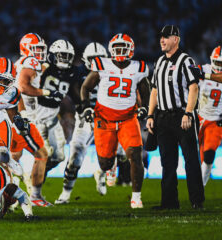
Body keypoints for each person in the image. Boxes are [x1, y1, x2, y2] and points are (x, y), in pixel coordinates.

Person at [81, 33, 150, 208]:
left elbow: (145, 90)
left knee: (135, 155)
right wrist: (86, 106)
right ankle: (109, 168)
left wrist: (145, 107)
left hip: (128, 118)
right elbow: (86, 87)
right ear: (111, 50)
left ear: (131, 50)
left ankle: (136, 197)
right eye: (117, 48)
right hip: (104, 118)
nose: (120, 51)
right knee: (105, 162)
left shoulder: (138, 68)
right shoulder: (102, 65)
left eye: (123, 48)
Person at [146, 25, 205, 210]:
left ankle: (197, 201)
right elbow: (154, 90)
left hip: (181, 115)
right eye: (161, 37)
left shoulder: (186, 60)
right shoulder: (159, 62)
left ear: (176, 39)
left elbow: (193, 87)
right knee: (167, 162)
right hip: (163, 117)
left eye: (166, 37)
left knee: (191, 159)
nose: (162, 40)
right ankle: (169, 202)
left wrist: (188, 112)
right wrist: (150, 115)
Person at [55, 42, 108, 204]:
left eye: (99, 59)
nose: (96, 62)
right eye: (93, 59)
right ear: (85, 59)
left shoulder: (112, 70)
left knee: (118, 154)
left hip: (107, 118)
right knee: (76, 154)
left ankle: (101, 172)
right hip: (84, 117)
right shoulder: (77, 72)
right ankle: (66, 192)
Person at [12, 33, 59, 207]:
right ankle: (34, 196)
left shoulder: (22, 63)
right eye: (36, 49)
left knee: (12, 157)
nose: (39, 53)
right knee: (40, 154)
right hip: (24, 118)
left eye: (41, 49)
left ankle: (2, 194)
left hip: (15, 116)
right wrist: (45, 92)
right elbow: (23, 87)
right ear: (26, 49)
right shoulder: (28, 62)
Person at [34, 39, 79, 175]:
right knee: (43, 153)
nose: (65, 59)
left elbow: (74, 94)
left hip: (53, 116)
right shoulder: (42, 68)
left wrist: (83, 106)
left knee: (59, 156)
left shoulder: (70, 74)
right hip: (36, 115)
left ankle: (38, 176)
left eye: (67, 56)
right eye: (61, 55)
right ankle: (34, 187)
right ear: (53, 55)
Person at [193, 46, 222, 186]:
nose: (219, 66)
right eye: (218, 63)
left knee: (209, 154)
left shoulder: (205, 73)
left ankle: (200, 187)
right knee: (195, 153)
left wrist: (203, 75)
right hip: (199, 117)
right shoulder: (203, 68)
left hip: (216, 121)